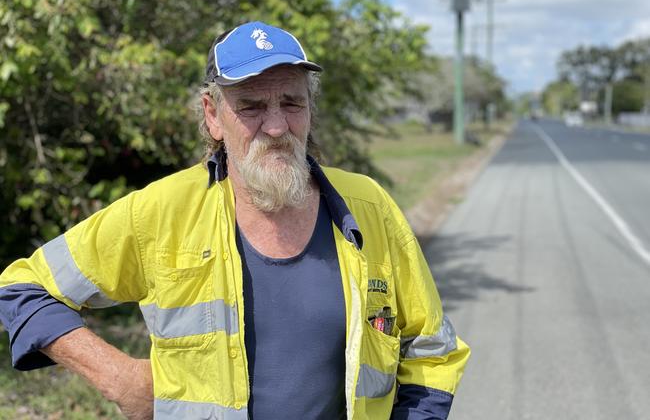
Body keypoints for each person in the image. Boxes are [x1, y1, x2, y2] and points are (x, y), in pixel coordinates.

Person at [0, 21, 470, 420]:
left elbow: (430, 349)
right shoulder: (163, 212)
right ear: (213, 116)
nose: (276, 125)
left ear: (309, 108)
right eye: (250, 106)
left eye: (291, 102)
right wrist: (119, 377)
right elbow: (22, 287)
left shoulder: (368, 208)